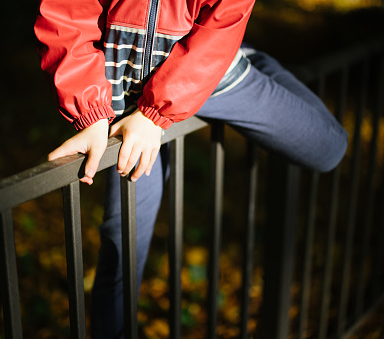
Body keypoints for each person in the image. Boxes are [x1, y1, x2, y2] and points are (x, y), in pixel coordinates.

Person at [34, 0, 348, 337]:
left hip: (210, 72)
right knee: (121, 246)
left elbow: (224, 16)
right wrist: (91, 111)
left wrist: (158, 111)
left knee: (329, 149)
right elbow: (67, 13)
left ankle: (252, 59)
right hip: (124, 101)